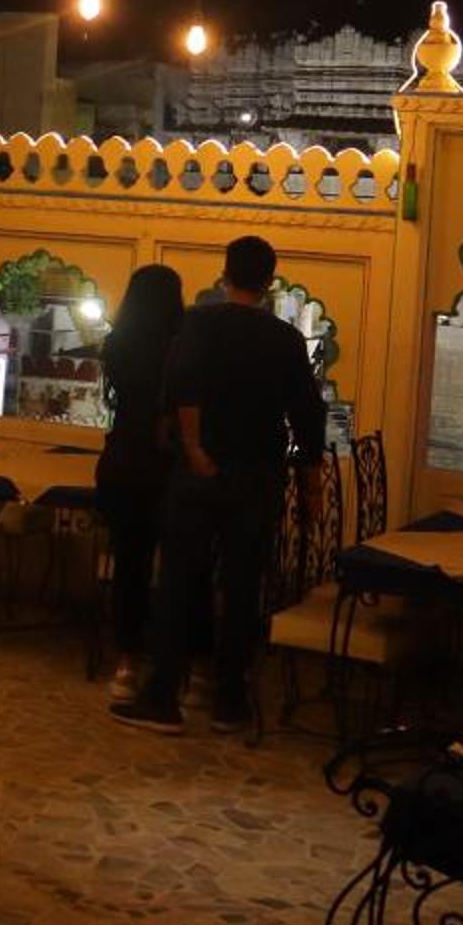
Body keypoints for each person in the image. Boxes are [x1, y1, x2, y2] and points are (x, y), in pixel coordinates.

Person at [111, 233, 327, 737]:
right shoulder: (285, 339)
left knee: (179, 582)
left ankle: (163, 699)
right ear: (269, 281)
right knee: (244, 587)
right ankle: (230, 702)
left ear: (225, 274)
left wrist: (194, 449)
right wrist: (312, 484)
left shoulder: (199, 324)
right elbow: (307, 413)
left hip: (201, 474)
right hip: (259, 476)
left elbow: (183, 387)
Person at [94, 264, 185, 701]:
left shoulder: (119, 345)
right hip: (168, 466)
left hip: (124, 461)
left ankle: (127, 661)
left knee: (129, 565)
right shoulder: (181, 347)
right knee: (180, 569)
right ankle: (177, 663)